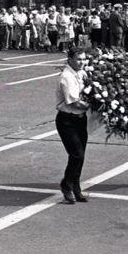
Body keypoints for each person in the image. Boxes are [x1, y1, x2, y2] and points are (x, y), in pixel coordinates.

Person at [55, 47, 90, 204]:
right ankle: (66, 185)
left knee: (80, 156)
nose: (82, 62)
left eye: (83, 59)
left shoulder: (81, 73)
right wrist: (93, 105)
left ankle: (76, 187)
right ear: (70, 59)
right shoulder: (67, 77)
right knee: (77, 154)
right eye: (78, 59)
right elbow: (75, 103)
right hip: (67, 120)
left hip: (80, 120)